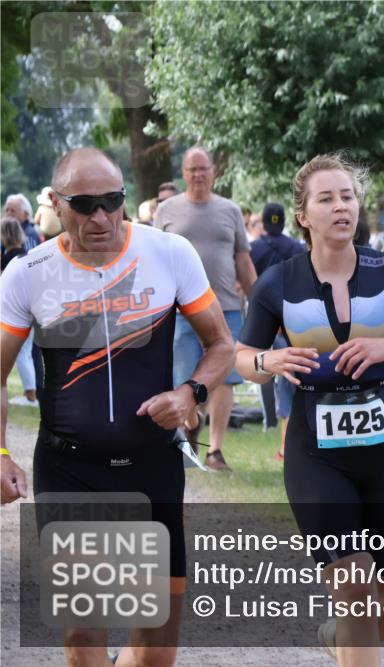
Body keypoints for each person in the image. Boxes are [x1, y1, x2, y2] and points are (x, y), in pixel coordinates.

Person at [0, 147, 234, 667]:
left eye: (113, 201)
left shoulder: (170, 253)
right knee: (83, 636)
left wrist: (189, 393)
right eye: (85, 205)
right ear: (56, 206)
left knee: (155, 644)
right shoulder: (27, 273)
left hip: (151, 466)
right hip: (70, 469)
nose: (101, 216)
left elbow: (221, 344)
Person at [235, 153, 384, 665]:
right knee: (355, 591)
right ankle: (349, 629)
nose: (341, 206)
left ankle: (337, 638)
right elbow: (243, 359)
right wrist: (270, 358)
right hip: (317, 452)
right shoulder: (278, 282)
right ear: (304, 215)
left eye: (348, 196)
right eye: (326, 198)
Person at [155, 146, 257, 471]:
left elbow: (243, 258)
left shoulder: (230, 211)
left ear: (213, 171)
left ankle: (215, 451)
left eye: (203, 168)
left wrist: (260, 299)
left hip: (226, 306)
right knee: (187, 380)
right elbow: (154, 262)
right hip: (181, 311)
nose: (198, 174)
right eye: (191, 169)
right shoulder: (167, 210)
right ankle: (186, 445)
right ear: (183, 173)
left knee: (226, 379)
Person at [249, 202, 307, 457]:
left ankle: (269, 419)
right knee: (291, 373)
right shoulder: (297, 247)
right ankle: (290, 424)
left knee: (261, 366)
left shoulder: (254, 247)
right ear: (284, 221)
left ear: (264, 221)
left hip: (260, 315)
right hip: (290, 317)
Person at [1, 217, 36, 404]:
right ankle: (31, 391)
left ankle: (30, 392)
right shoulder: (27, 255)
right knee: (26, 352)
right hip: (31, 308)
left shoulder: (7, 259)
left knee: (21, 353)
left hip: (15, 312)